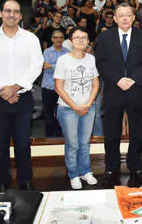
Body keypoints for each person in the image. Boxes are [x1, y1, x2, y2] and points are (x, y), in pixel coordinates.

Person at [0, 0, 44, 192]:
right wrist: (2, 90)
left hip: (23, 99)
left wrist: (15, 87)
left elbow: (36, 66)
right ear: (0, 14)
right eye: (7, 11)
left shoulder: (30, 39)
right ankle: (2, 182)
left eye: (15, 11)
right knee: (0, 144)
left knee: (23, 143)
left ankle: (25, 180)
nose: (11, 15)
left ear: (20, 16)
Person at [95, 3, 142, 188]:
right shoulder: (105, 37)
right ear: (114, 18)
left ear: (134, 16)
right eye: (120, 15)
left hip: (136, 90)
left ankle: (135, 167)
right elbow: (101, 62)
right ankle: (111, 169)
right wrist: (117, 79)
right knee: (112, 132)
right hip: (114, 91)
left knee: (137, 131)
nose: (125, 18)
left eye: (128, 15)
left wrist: (134, 79)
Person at [54, 26, 100, 189]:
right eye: (77, 37)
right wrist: (75, 107)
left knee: (84, 142)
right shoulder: (63, 60)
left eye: (84, 37)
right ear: (71, 41)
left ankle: (85, 171)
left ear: (88, 41)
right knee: (72, 143)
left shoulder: (91, 59)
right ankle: (73, 174)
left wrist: (88, 104)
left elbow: (95, 84)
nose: (81, 40)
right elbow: (58, 87)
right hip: (68, 109)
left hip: (88, 108)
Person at [41, 30, 70, 137]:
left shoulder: (68, 52)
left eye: (61, 37)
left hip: (64, 88)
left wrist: (52, 66)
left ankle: (61, 136)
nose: (58, 39)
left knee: (63, 114)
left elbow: (67, 69)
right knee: (48, 114)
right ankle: (49, 139)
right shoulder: (46, 52)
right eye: (56, 37)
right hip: (48, 87)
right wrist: (59, 66)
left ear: (63, 39)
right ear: (52, 39)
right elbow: (45, 67)